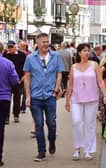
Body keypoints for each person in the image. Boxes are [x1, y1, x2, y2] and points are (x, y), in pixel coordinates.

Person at [23, 33, 64, 162]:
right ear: (38, 43)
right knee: (38, 124)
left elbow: (59, 74)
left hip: (50, 96)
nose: (46, 44)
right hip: (35, 96)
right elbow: (27, 77)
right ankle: (41, 151)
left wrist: (55, 90)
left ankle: (52, 140)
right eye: (43, 42)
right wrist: (28, 96)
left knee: (51, 123)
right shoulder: (30, 58)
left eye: (47, 42)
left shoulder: (56, 56)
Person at [65, 43, 106, 161]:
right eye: (84, 50)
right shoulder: (73, 67)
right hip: (76, 98)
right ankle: (77, 148)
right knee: (76, 122)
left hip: (91, 98)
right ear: (79, 53)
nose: (87, 52)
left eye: (88, 50)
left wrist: (105, 96)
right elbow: (70, 83)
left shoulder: (94, 65)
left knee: (90, 124)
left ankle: (88, 150)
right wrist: (67, 99)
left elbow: (100, 81)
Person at [0, 42, 19, 166]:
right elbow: (14, 80)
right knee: (0, 128)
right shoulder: (8, 64)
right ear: (2, 50)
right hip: (3, 98)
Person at [3, 40, 26, 123]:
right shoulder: (5, 55)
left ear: (15, 46)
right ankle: (6, 117)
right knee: (7, 99)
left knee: (17, 99)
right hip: (7, 81)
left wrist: (24, 76)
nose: (10, 49)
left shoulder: (22, 55)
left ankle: (16, 115)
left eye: (11, 47)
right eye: (8, 47)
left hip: (19, 80)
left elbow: (26, 67)